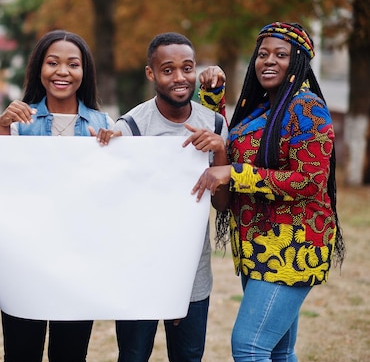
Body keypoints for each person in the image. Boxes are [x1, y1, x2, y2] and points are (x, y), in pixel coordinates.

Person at [193, 22, 346, 362]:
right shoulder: (261, 108)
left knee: (249, 347)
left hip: (294, 246)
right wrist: (213, 98)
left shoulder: (306, 109)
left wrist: (235, 174)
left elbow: (308, 181)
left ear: (298, 62)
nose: (269, 61)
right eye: (262, 54)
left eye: (281, 54)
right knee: (279, 350)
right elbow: (231, 149)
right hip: (257, 247)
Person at [0, 29, 118, 362]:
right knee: (21, 352)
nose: (62, 71)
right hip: (25, 259)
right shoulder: (20, 122)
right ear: (39, 69)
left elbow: (112, 196)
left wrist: (112, 152)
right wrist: (3, 131)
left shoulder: (103, 124)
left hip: (78, 261)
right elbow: (2, 186)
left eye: (73, 64)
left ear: (84, 72)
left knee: (70, 354)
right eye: (53, 63)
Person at [112, 32, 228, 362]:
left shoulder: (215, 124)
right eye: (168, 69)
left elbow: (222, 205)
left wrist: (220, 152)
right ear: (151, 74)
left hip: (192, 269)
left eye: (187, 68)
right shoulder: (132, 126)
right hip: (141, 270)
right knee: (133, 356)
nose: (179, 77)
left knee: (188, 357)